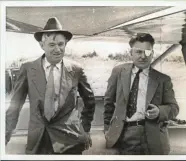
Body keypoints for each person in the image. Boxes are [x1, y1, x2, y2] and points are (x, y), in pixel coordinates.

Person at [6, 17, 96, 155]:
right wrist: (5, 135)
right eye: (52, 45)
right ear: (42, 45)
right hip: (38, 141)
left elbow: (90, 100)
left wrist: (84, 129)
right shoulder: (28, 68)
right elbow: (15, 105)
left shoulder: (76, 70)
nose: (57, 49)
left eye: (61, 44)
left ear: (65, 44)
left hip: (70, 141)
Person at [104, 33, 179, 155]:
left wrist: (160, 111)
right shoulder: (118, 72)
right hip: (124, 134)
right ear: (131, 53)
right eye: (139, 52)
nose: (143, 56)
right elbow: (108, 102)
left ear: (152, 54)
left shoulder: (163, 79)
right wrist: (107, 130)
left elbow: (174, 108)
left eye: (148, 52)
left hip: (154, 138)